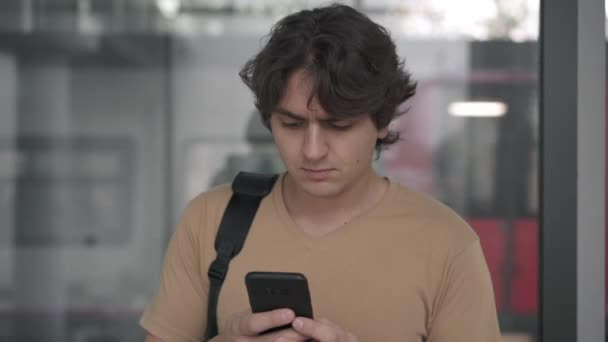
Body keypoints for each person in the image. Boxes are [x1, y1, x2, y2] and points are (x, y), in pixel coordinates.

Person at [140, 4, 501, 342]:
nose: (312, 151)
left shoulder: (447, 244)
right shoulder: (211, 219)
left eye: (338, 125)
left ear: (382, 120)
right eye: (292, 124)